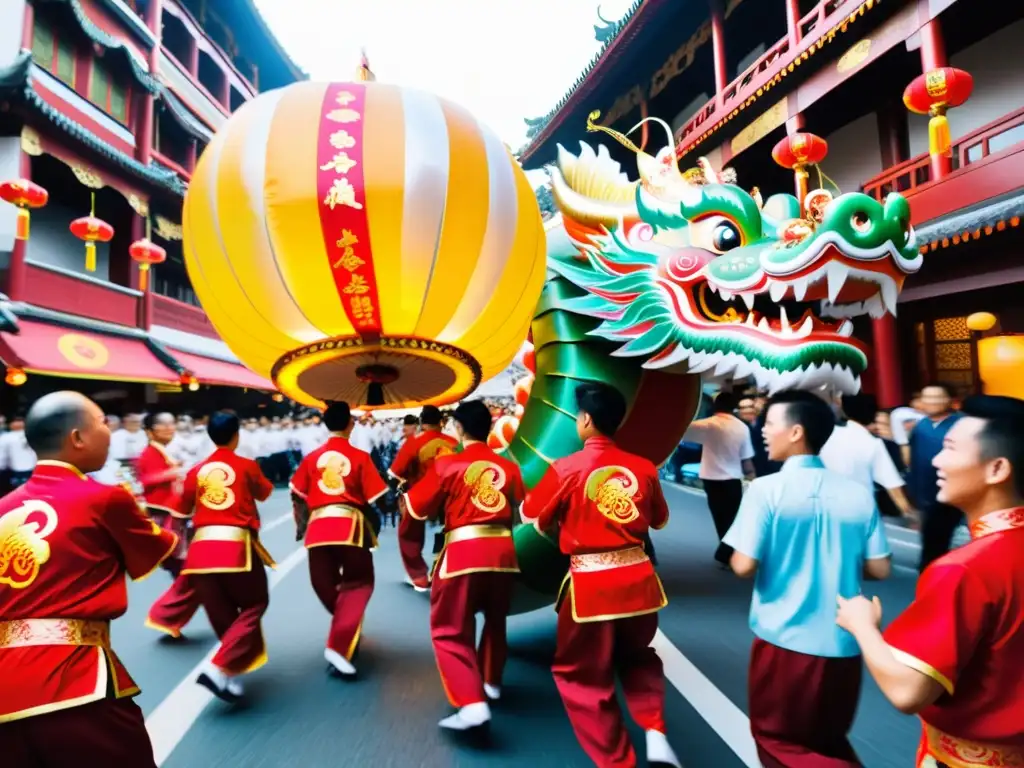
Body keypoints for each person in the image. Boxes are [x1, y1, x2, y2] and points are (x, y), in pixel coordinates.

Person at [837, 394, 1024, 767]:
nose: (936, 460)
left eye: (950, 448)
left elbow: (908, 692)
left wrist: (863, 627)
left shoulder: (965, 569)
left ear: (997, 468)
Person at [0, 392, 178, 766]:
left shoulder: (3, 508)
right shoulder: (103, 498)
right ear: (78, 438)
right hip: (73, 678)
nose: (109, 431)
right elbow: (156, 550)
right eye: (101, 422)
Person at [723, 390, 891, 768]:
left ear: (796, 432)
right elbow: (880, 568)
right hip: (845, 644)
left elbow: (743, 565)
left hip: (785, 642)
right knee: (828, 740)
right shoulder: (859, 494)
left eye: (769, 424)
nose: (762, 431)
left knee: (776, 740)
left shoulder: (766, 490)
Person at [524, 382, 680, 768]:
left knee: (581, 673)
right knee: (639, 657)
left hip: (590, 587)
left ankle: (616, 759)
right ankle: (656, 732)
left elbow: (536, 518)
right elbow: (658, 520)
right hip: (640, 581)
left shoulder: (564, 467)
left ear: (586, 420)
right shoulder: (644, 468)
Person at [401, 400, 524, 732]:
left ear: (458, 428)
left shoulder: (447, 465)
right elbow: (518, 509)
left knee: (449, 628)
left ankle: (472, 703)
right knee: (496, 621)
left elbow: (417, 508)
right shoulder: (509, 467)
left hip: (462, 554)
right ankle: (492, 682)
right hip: (503, 554)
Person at [179, 411, 275, 702]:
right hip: (236, 547)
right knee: (255, 602)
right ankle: (217, 666)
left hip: (200, 550)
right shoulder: (246, 466)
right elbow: (265, 493)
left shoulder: (196, 471)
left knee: (221, 613)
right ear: (237, 435)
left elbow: (183, 507)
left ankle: (227, 674)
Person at [290, 401, 388, 677]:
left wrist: (301, 527)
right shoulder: (360, 457)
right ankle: (342, 638)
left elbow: (297, 494)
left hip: (319, 528)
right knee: (359, 582)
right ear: (350, 424)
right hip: (350, 528)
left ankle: (345, 630)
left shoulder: (311, 458)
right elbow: (377, 498)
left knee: (323, 583)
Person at [137, 412, 202, 638]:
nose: (169, 428)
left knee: (190, 570)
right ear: (149, 431)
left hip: (176, 515)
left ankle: (170, 618)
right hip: (167, 518)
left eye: (171, 423)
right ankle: (165, 616)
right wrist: (173, 472)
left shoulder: (162, 451)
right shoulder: (149, 453)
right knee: (189, 570)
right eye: (162, 425)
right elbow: (147, 480)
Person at [389, 405, 458, 591]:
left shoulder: (414, 441)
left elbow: (396, 471)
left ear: (421, 423)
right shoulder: (453, 442)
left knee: (408, 534)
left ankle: (418, 576)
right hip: (451, 495)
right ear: (441, 423)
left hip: (421, 495)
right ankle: (449, 570)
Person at [682, 392, 756, 566]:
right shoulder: (742, 428)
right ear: (734, 407)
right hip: (732, 479)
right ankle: (727, 552)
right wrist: (752, 477)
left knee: (719, 516)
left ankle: (725, 552)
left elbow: (681, 431)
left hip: (710, 478)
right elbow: (747, 459)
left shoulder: (707, 425)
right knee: (733, 517)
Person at [820, 394, 915, 523]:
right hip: (860, 514)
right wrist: (910, 514)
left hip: (823, 509)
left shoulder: (824, 435)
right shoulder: (871, 443)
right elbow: (893, 487)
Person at [907, 383, 963, 570]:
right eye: (927, 397)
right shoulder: (921, 425)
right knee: (931, 539)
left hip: (953, 491)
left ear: (950, 400)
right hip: (926, 493)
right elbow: (914, 459)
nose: (931, 402)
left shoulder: (961, 424)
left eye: (937, 397)